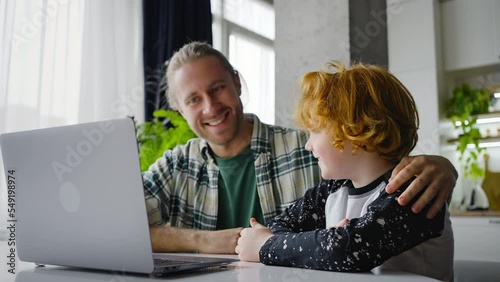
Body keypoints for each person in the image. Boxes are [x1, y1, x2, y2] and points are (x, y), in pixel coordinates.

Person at [142, 41, 457, 254]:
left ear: (237, 84)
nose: (210, 107)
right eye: (193, 99)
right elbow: (111, 223)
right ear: (180, 111)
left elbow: (376, 163)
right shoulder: (174, 166)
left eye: (218, 88)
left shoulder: (313, 151)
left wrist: (442, 165)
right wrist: (204, 241)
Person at [235, 62, 454, 281]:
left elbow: (348, 250)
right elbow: (278, 226)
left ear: (357, 129)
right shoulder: (333, 189)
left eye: (315, 131)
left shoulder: (414, 188)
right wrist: (323, 242)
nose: (308, 145)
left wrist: (266, 245)